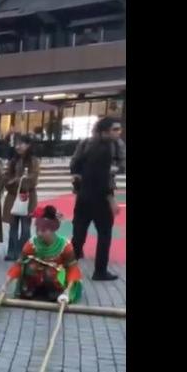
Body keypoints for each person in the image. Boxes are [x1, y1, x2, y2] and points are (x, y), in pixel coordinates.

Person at [70, 116, 124, 281]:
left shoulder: (93, 147)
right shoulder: (104, 149)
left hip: (84, 195)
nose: (118, 132)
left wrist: (81, 177)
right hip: (98, 198)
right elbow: (101, 178)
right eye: (115, 129)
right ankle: (100, 271)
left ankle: (67, 265)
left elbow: (75, 165)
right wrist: (111, 199)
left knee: (79, 233)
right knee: (104, 234)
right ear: (104, 132)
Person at [7, 205, 82, 304]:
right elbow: (18, 264)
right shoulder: (32, 243)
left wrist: (68, 291)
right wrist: (5, 286)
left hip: (56, 278)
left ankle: (55, 292)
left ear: (53, 230)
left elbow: (73, 269)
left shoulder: (65, 245)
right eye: (37, 230)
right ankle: (30, 289)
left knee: (50, 272)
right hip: (38, 277)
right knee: (31, 266)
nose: (39, 234)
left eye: (43, 230)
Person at [2, 137, 40, 261]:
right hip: (13, 197)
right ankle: (11, 252)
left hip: (28, 197)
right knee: (13, 226)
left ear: (28, 145)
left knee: (25, 227)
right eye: (17, 144)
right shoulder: (13, 160)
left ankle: (23, 252)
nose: (18, 147)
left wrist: (19, 181)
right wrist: (14, 183)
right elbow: (7, 178)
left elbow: (33, 179)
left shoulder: (33, 161)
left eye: (21, 144)